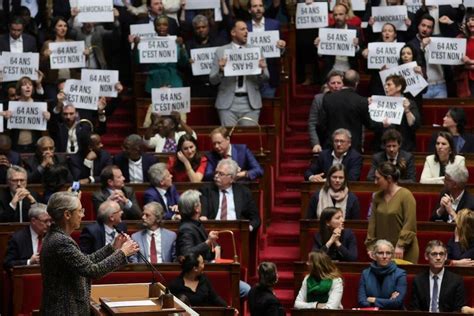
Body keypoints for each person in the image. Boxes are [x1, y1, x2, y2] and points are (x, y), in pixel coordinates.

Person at [40, 191, 139, 315]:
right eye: (80, 211)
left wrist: (112, 248)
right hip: (64, 311)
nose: (82, 215)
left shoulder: (58, 237)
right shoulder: (61, 241)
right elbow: (93, 271)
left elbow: (86, 261)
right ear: (67, 214)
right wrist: (122, 253)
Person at [209, 19, 269, 126]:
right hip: (227, 104)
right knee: (228, 139)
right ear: (233, 33)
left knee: (248, 140)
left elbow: (266, 78)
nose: (246, 31)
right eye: (242, 29)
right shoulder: (221, 51)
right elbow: (212, 80)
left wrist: (262, 70)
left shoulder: (256, 51)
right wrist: (221, 71)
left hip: (250, 104)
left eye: (247, 29)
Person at [366, 162, 419, 263]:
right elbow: (372, 224)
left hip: (404, 250)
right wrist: (371, 246)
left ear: (389, 179)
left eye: (378, 178)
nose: (375, 182)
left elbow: (410, 223)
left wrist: (400, 245)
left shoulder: (406, 195)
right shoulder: (377, 196)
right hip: (382, 251)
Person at [319, 70, 374, 152]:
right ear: (356, 83)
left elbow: (321, 125)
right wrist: (383, 124)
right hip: (353, 147)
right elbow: (370, 124)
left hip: (332, 145)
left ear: (343, 81)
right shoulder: (361, 101)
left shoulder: (328, 98)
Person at [199, 159, 261, 232]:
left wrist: (248, 229)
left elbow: (256, 219)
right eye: (216, 173)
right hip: (213, 231)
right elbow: (203, 213)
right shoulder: (206, 191)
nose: (216, 176)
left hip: (237, 232)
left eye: (221, 174)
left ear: (231, 178)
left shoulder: (244, 192)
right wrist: (203, 217)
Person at [410, 240, 466, 312]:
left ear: (446, 257)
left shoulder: (456, 280)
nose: (438, 258)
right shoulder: (418, 280)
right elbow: (415, 308)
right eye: (434, 254)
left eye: (441, 254)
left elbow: (458, 309)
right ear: (426, 256)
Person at [246, 0, 286, 97]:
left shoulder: (274, 24)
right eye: (255, 6)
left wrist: (282, 47)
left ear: (264, 8)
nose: (258, 9)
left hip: (269, 76)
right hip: (249, 77)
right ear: (249, 10)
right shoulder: (244, 27)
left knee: (268, 109)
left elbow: (281, 51)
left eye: (260, 6)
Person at [370, 75, 420, 152]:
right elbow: (372, 125)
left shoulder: (410, 103)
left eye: (389, 85)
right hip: (383, 148)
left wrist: (407, 110)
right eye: (385, 85)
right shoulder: (380, 103)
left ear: (399, 87)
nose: (386, 87)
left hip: (404, 148)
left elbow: (414, 125)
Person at [1, 76, 50, 153]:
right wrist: (5, 116)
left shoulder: (39, 104)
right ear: (19, 89)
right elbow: (5, 126)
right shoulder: (12, 105)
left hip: (34, 145)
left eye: (30, 85)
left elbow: (49, 125)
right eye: (24, 85)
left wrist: (47, 117)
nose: (28, 87)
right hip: (15, 145)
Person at [313, 4, 362, 80]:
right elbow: (320, 57)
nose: (338, 17)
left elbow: (361, 54)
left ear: (346, 16)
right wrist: (318, 48)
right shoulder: (326, 31)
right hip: (331, 69)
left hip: (349, 69)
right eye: (335, 15)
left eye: (341, 14)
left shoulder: (355, 31)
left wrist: (356, 47)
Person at [358, 239, 407, 310]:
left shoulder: (400, 274)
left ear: (392, 256)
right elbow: (362, 301)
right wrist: (389, 302)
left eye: (388, 253)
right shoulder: (365, 274)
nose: (384, 256)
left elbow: (397, 302)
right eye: (380, 253)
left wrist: (373, 300)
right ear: (374, 255)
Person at [3, 203, 50, 269]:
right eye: (45, 221)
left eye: (50, 221)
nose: (49, 224)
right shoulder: (18, 238)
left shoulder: (52, 236)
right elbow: (7, 263)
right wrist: (29, 262)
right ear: (33, 221)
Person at [308, 70, 344, 153]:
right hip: (324, 139)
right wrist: (315, 143)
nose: (336, 86)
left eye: (339, 83)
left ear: (343, 84)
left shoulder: (349, 100)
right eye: (333, 83)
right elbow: (312, 123)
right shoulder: (318, 99)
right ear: (327, 84)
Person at [456, 10, 474, 97]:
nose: (470, 22)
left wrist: (470, 62)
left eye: (473, 19)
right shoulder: (460, 39)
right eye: (468, 20)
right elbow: (455, 60)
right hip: (466, 81)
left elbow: (468, 63)